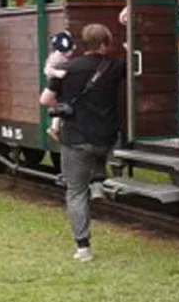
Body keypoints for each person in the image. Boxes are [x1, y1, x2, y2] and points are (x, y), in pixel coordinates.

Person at [40, 24, 125, 263]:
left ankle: (83, 248)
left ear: (83, 45)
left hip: (76, 139)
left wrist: (63, 103)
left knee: (76, 192)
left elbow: (45, 100)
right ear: (104, 44)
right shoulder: (116, 66)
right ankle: (98, 183)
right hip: (106, 138)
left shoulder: (66, 69)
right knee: (97, 153)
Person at [44, 30, 75, 141]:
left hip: (61, 85)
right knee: (60, 107)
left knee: (61, 108)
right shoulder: (56, 58)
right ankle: (54, 128)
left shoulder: (64, 55)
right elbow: (47, 70)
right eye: (68, 51)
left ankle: (55, 128)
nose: (70, 53)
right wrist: (57, 73)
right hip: (56, 85)